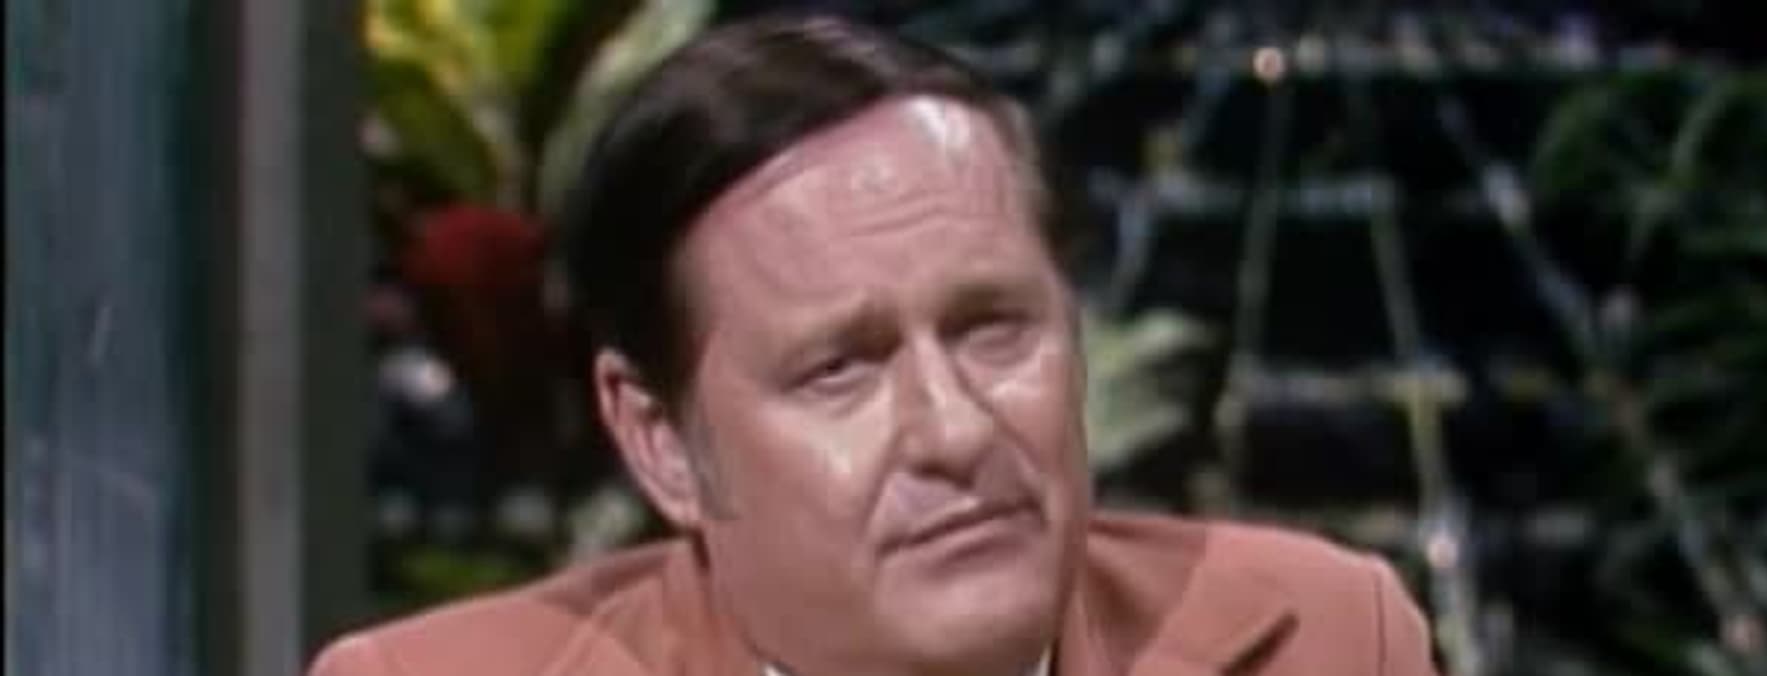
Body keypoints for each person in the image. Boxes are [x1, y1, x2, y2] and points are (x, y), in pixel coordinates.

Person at [311, 14, 1437, 676]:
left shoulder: (1328, 640)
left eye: (993, 328)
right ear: (663, 444)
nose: (955, 431)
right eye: (838, 369)